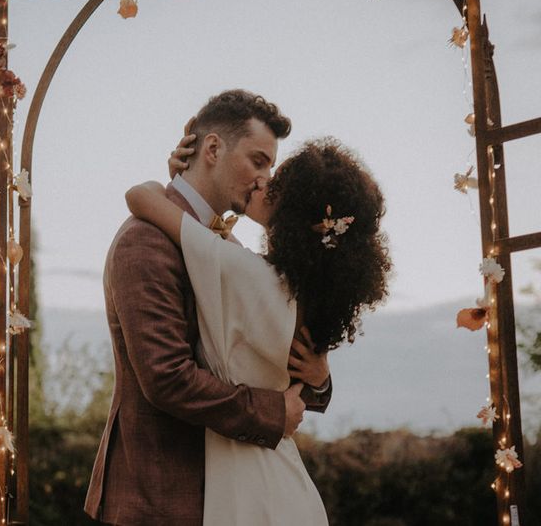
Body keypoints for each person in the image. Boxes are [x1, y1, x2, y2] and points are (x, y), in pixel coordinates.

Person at [84, 90, 332, 526]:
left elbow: (263, 352)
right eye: (258, 161)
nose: (264, 180)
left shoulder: (226, 247)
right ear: (213, 148)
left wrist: (318, 379)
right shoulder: (145, 241)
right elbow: (166, 377)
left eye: (271, 166)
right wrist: (275, 413)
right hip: (162, 496)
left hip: (230, 493)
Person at [125, 137, 392, 525]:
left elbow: (141, 198)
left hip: (244, 487)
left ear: (304, 215)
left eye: (278, 183)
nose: (262, 182)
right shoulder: (301, 291)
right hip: (284, 480)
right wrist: (320, 381)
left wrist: (180, 180)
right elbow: (217, 236)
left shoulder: (243, 273)